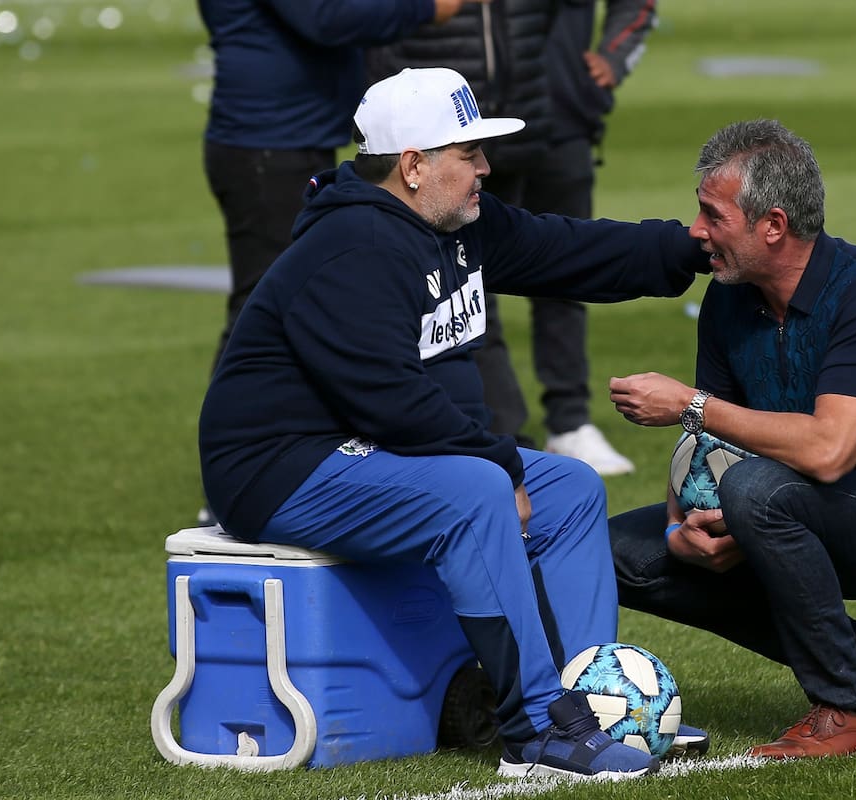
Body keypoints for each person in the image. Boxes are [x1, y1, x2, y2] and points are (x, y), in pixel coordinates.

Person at [198, 67, 709, 780]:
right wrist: (498, 464)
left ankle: (593, 705)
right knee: (476, 492)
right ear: (412, 166)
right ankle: (536, 734)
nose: (485, 169)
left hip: (359, 445)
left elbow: (565, 250)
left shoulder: (454, 225)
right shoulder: (350, 248)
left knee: (569, 488)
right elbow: (390, 399)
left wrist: (687, 248)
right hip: (277, 467)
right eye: (468, 154)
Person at [607, 120, 856, 759]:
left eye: (713, 214)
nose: (696, 231)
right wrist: (684, 524)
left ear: (774, 224)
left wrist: (688, 403)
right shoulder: (729, 299)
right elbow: (713, 446)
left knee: (759, 493)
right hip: (800, 504)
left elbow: (827, 449)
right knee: (614, 550)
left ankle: (850, 711)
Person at [195, 0, 481, 524]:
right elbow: (327, 17)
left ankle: (290, 453)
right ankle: (248, 469)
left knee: (277, 305)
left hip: (282, 134)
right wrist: (433, 7)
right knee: (267, 307)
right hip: (267, 139)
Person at [363, 0, 656, 476]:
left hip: (551, 113)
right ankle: (508, 434)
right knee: (468, 285)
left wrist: (611, 57)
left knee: (561, 262)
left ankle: (569, 420)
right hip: (446, 131)